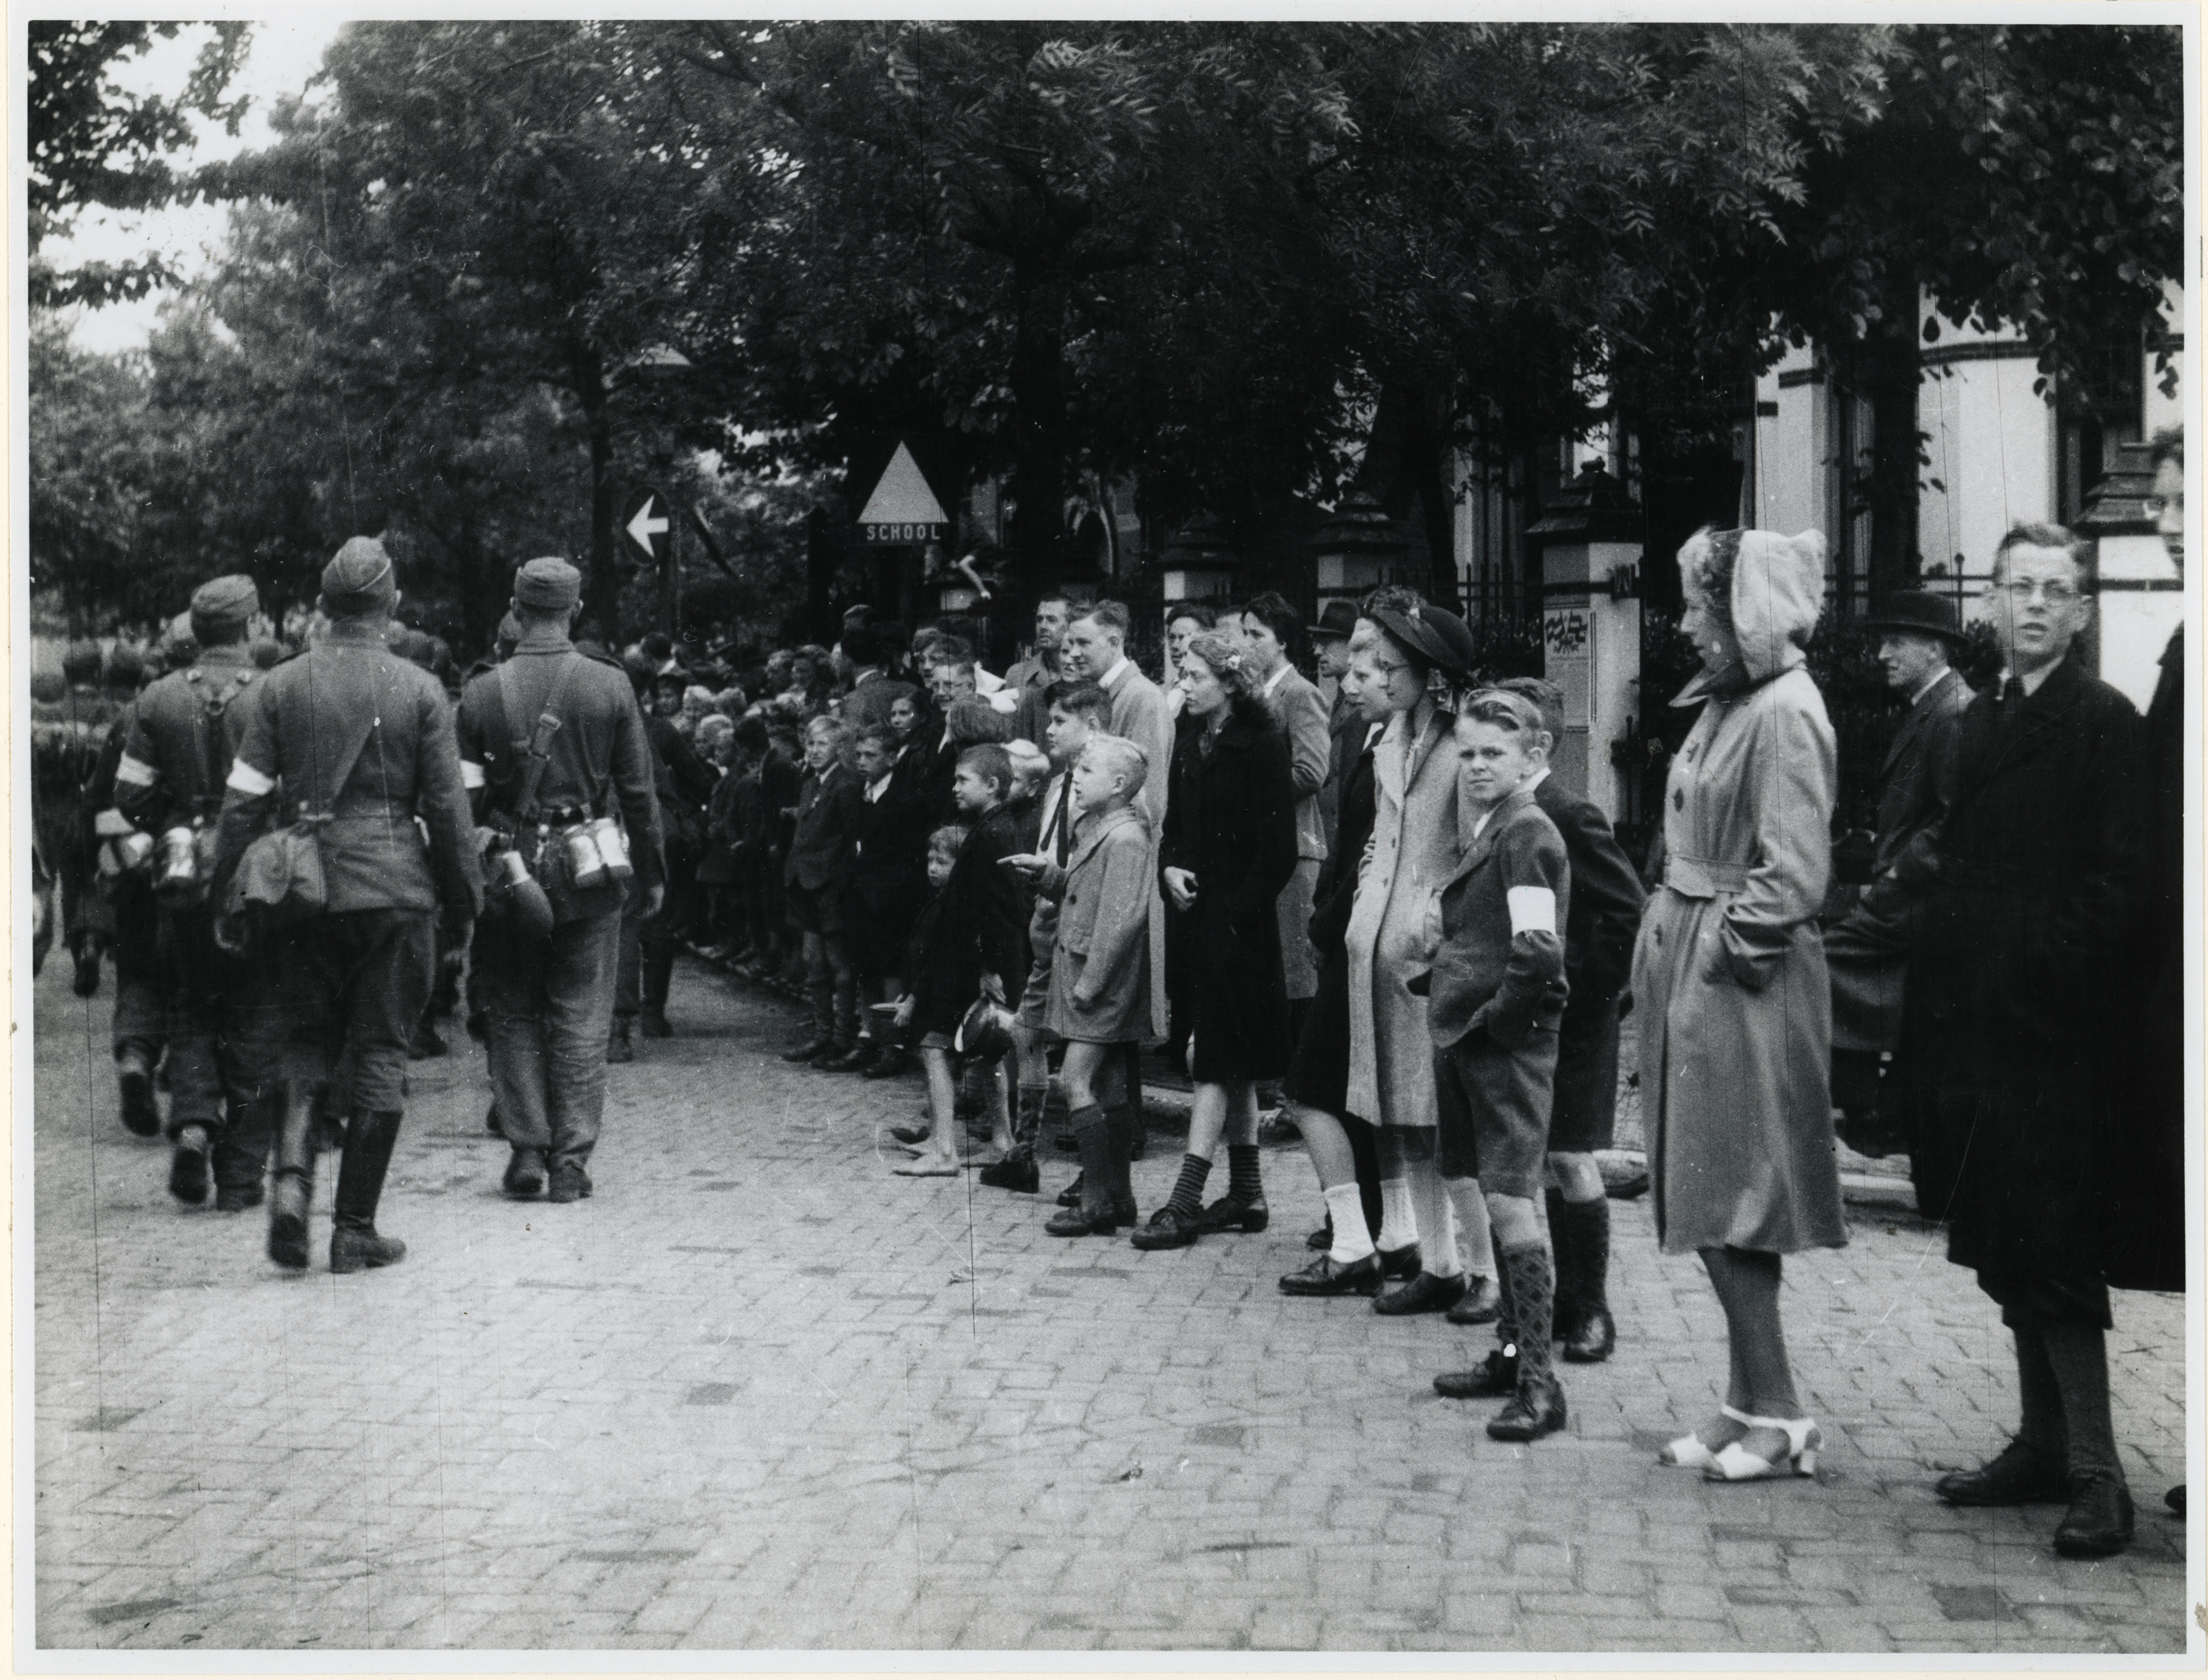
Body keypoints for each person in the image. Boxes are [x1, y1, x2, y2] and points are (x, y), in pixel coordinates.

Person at [1905, 523, 2147, 1556]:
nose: (2036, 605)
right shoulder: (1974, 722)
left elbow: (2125, 883)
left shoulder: (2103, 722)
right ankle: (2040, 1445)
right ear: (1991, 604)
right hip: (1979, 1027)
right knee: (2005, 1236)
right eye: (2018, 587)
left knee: (2054, 1249)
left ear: (2080, 610)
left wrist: (2035, 967)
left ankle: (2097, 1472)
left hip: (2059, 1033)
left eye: (2055, 589)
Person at [1633, 526, 1845, 1483]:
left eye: (1697, 607)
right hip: (1696, 953)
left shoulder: (1786, 709)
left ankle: (1786, 1413)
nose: (1685, 626)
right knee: (1709, 1187)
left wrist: (1721, 953)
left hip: (1739, 974)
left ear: (1741, 611)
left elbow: (1794, 872)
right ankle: (1741, 1401)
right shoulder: (1731, 701)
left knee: (1738, 1195)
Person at [210, 537, 482, 1272]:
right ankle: (354, 1227)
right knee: (383, 1050)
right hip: (397, 894)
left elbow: (241, 808)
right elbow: (452, 816)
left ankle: (292, 1189)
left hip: (304, 892)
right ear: (390, 604)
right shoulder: (423, 689)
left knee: (302, 1039)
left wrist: (227, 892)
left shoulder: (277, 686)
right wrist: (463, 907)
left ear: (325, 605)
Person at [460, 560, 664, 1200]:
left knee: (513, 1009)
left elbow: (463, 803)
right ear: (574, 611)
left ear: (516, 609)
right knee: (581, 1016)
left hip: (509, 868)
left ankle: (526, 1147)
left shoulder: (481, 692)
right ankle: (571, 1162)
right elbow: (638, 791)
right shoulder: (609, 686)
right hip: (588, 866)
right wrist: (653, 874)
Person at [1422, 690, 1573, 1440]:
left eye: (1494, 755)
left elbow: (1540, 952)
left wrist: (1493, 1027)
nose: (1477, 766)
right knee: (1491, 1187)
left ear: (1534, 758)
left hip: (1502, 1045)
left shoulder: (1528, 832)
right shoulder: (1497, 825)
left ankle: (1541, 1383)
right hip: (1469, 1034)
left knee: (1513, 1200)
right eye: (1469, 752)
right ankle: (1512, 1352)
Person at [1342, 595, 1498, 1318]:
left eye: (1394, 666)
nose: (1380, 675)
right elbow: (1383, 837)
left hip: (1427, 949)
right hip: (1377, 943)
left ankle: (1483, 1264)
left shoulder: (1458, 746)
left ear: (1431, 674)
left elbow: (1475, 848)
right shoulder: (1388, 738)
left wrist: (1442, 921)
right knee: (1400, 1114)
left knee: (1444, 1117)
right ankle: (1437, 1261)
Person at [1489, 675, 1647, 1366]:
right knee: (1533, 1161)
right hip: (1525, 1018)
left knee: (1572, 1158)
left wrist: (1584, 992)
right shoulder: (1498, 812)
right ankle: (1544, 1305)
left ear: (1539, 744)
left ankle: (1592, 1307)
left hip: (1575, 1018)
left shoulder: (1569, 812)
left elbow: (1624, 910)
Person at [114, 575, 283, 1209]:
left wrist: (175, 823)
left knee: (188, 1004)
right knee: (259, 1015)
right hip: (255, 876)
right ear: (250, 626)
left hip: (180, 879)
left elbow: (129, 796)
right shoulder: (274, 693)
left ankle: (190, 1127)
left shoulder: (156, 699)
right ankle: (240, 1177)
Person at [1133, 631, 1297, 1250]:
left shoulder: (1261, 743)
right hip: (1197, 923)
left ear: (1231, 682)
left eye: (1195, 676)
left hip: (1239, 932)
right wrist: (1170, 866)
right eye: (1182, 674)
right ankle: (1248, 1193)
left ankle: (1184, 1201)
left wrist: (1235, 916)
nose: (1184, 685)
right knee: (1235, 1064)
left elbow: (1276, 851)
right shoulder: (1188, 736)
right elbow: (1174, 826)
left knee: (1216, 1061)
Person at [1821, 591, 1973, 1159]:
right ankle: (1872, 1108)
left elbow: (1955, 819)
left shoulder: (1953, 712)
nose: (1882, 654)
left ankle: (1865, 1108)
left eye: (1895, 643)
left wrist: (1897, 876)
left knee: (1818, 964)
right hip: (1905, 893)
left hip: (1916, 901)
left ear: (1934, 649)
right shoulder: (1933, 706)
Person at [1006, 735, 1158, 1235]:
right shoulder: (1102, 828)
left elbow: (1121, 924)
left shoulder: (1127, 840)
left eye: (1088, 771)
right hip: (1086, 977)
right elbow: (1083, 890)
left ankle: (1095, 1202)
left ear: (1118, 786)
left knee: (1075, 1082)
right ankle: (1119, 1197)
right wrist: (1049, 876)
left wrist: (1091, 985)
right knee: (1108, 1087)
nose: (1078, 778)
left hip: (1100, 984)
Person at [1278, 635, 1391, 1295]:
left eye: (1366, 665)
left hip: (1363, 931)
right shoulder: (1365, 734)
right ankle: (1373, 1232)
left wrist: (1325, 921)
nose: (1348, 676)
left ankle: (1359, 1239)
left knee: (1311, 1086)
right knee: (1345, 1092)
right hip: (1350, 928)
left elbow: (1372, 855)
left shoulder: (1396, 748)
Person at [1060, 599, 1177, 1119]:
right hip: (1103, 857)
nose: (1073, 652)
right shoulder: (1110, 694)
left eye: (1084, 642)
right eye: (1071, 642)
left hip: (1125, 862)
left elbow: (1144, 792)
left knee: (1115, 1003)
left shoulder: (1141, 698)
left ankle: (1118, 1138)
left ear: (1116, 640)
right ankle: (1109, 1135)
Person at [996, 681, 1112, 1191]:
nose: (1048, 729)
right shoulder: (1060, 783)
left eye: (1060, 721)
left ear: (1093, 726)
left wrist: (1048, 876)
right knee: (1026, 1033)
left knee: (1089, 1061)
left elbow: (1094, 873)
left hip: (1078, 933)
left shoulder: (1104, 788)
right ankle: (1024, 1154)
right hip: (1048, 929)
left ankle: (1098, 1174)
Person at [894, 748, 1027, 1177]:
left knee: (935, 1046)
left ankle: (945, 1149)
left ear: (992, 785)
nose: (955, 788)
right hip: (973, 963)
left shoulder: (992, 832)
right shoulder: (992, 827)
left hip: (971, 966)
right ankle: (1002, 1140)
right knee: (984, 1056)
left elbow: (997, 909)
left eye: (963, 780)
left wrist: (990, 966)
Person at [82, 642, 168, 1138]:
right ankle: (196, 1113)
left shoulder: (129, 721)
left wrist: (105, 860)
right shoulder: (244, 707)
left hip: (137, 874)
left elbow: (95, 803)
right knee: (198, 989)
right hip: (202, 873)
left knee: (138, 974)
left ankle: (136, 1060)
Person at [1240, 592, 1331, 1060]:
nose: (1248, 642)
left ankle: (1299, 1086)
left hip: (1295, 849)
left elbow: (1311, 772)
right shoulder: (1256, 695)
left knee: (1297, 973)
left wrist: (1250, 794)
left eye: (1257, 634)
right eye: (1246, 632)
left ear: (1283, 642)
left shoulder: (1299, 693)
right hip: (1264, 849)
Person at [844, 723, 929, 1078]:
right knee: (864, 968)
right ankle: (869, 1035)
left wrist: (888, 893)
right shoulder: (856, 795)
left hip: (890, 901)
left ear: (893, 758)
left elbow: (910, 856)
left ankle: (894, 1044)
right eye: (859, 754)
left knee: (891, 970)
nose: (862, 761)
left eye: (871, 755)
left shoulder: (907, 798)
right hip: (859, 897)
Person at [780, 714, 864, 1068]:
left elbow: (852, 839)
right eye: (811, 743)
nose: (814, 751)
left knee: (840, 967)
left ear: (840, 748)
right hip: (804, 884)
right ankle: (822, 1034)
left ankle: (844, 1037)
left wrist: (839, 882)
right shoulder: (812, 783)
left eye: (823, 744)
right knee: (814, 964)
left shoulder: (846, 785)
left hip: (830, 888)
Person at [1309, 600, 1361, 845]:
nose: (1317, 651)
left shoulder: (1362, 698)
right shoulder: (1339, 698)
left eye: (1326, 642)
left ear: (1352, 644)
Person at [1003, 592, 1071, 745]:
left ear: (1070, 626)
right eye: (1040, 620)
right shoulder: (1016, 674)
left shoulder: (1080, 675)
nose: (1043, 627)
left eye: (1052, 620)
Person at [1161, 603, 1217, 719]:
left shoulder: (1209, 693)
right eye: (1172, 638)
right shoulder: (1164, 690)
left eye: (1182, 637)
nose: (1175, 646)